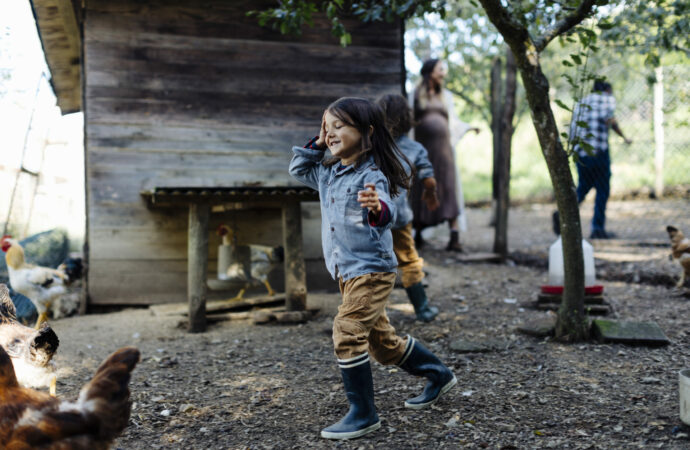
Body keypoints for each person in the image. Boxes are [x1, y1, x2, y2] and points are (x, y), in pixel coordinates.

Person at [289, 97, 457, 440]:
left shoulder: (372, 175)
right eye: (327, 126)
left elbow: (384, 217)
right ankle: (439, 374)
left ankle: (363, 413)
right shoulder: (327, 172)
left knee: (347, 330)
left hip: (372, 271)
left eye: (339, 126)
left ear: (366, 132)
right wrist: (317, 142)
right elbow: (298, 169)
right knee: (382, 345)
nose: (331, 133)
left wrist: (375, 207)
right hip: (347, 273)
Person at [377, 93, 440, 322]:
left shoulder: (371, 147)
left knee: (372, 263)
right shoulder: (415, 148)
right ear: (407, 118)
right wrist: (430, 193)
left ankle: (371, 312)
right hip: (399, 217)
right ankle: (422, 309)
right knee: (409, 260)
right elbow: (429, 178)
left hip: (371, 216)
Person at [411, 58, 479, 252]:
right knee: (422, 185)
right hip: (423, 151)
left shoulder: (445, 96)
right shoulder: (415, 95)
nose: (443, 73)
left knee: (448, 187)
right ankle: (418, 234)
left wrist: (469, 127)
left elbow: (454, 122)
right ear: (430, 72)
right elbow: (408, 121)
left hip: (443, 151)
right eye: (441, 69)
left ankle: (454, 236)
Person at [558, 80, 632, 239]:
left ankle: (562, 214)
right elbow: (610, 120)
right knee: (602, 189)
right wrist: (624, 137)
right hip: (598, 153)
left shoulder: (581, 103)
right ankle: (597, 228)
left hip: (580, 154)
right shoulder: (606, 99)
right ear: (607, 90)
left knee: (584, 185)